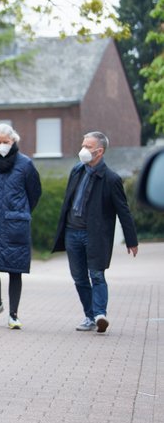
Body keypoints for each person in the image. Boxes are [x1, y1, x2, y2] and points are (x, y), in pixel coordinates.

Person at [52, 131, 138, 334]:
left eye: (88, 147)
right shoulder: (76, 171)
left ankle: (100, 314)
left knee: (97, 275)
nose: (83, 150)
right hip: (72, 233)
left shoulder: (111, 179)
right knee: (79, 278)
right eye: (83, 145)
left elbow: (123, 211)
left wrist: (131, 240)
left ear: (99, 151)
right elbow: (68, 201)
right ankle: (89, 316)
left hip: (95, 236)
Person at [0, 123, 42, 330]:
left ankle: (14, 314)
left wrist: (21, 212)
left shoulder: (25, 164)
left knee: (15, 269)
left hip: (15, 224)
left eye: (6, 141)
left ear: (14, 141)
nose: (2, 145)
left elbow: (34, 193)